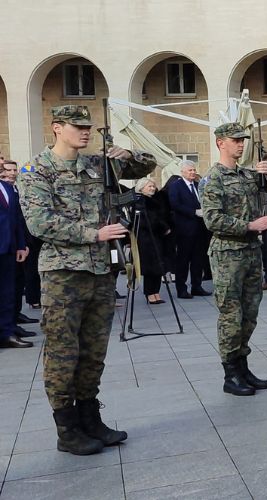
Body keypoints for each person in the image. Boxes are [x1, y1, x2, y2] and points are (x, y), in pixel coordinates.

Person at [18, 105, 156, 454]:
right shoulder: (37, 170)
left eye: (88, 127)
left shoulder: (97, 164)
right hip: (63, 274)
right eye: (77, 127)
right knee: (63, 354)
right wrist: (93, 233)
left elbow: (148, 164)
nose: (85, 132)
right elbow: (40, 222)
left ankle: (91, 418)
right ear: (56, 128)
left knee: (94, 352)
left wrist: (128, 153)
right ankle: (67, 429)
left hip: (100, 273)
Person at [201, 123, 267, 396]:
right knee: (231, 315)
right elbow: (212, 219)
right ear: (220, 143)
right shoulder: (213, 178)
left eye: (242, 140)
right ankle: (230, 373)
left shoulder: (248, 175)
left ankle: (243, 366)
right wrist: (250, 225)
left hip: (251, 252)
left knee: (250, 313)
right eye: (235, 140)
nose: (241, 144)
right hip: (227, 254)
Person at [168, 160, 212, 299]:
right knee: (183, 260)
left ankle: (196, 286)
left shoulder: (199, 186)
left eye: (194, 170)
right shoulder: (176, 186)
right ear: (182, 172)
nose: (193, 172)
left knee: (198, 259)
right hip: (184, 229)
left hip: (200, 229)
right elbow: (175, 204)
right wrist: (194, 212)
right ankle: (181, 289)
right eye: (190, 170)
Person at [1, 159, 31, 348]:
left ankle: (7, 332)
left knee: (8, 293)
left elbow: (17, 219)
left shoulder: (8, 188)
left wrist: (21, 245)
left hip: (9, 250)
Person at [132, 178, 171, 305]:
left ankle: (156, 292)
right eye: (149, 186)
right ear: (141, 188)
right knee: (150, 267)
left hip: (157, 237)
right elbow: (145, 221)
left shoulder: (155, 200)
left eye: (153, 186)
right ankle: (149, 293)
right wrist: (163, 227)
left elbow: (161, 216)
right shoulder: (139, 202)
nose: (152, 188)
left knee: (159, 266)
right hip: (146, 238)